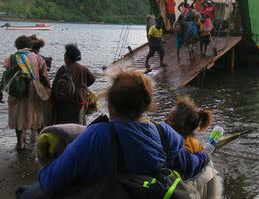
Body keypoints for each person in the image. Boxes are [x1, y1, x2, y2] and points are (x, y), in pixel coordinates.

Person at [17, 71, 209, 198]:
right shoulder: (166, 135)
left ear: (110, 105)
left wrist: (45, 170)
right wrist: (205, 155)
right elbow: (189, 165)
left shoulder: (98, 134)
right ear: (147, 105)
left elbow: (53, 179)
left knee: (27, 193)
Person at [0, 35, 50, 151]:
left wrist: (1, 90)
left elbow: (6, 77)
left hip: (17, 91)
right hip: (35, 90)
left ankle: (20, 143)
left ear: (17, 46)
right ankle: (41, 142)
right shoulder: (38, 59)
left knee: (18, 115)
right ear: (30, 45)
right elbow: (44, 77)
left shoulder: (10, 58)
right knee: (37, 115)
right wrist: (49, 90)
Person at [52, 44, 95, 125]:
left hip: (65, 102)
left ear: (67, 57)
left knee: (63, 126)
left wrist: (52, 100)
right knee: (79, 125)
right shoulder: (83, 69)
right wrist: (83, 87)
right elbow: (93, 79)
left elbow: (55, 86)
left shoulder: (63, 69)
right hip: (80, 100)